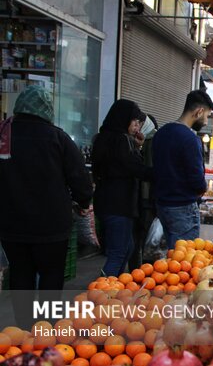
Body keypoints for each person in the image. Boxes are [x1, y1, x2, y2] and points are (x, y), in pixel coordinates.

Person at [0, 85, 93, 292]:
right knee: (51, 276)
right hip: (52, 226)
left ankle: (22, 324)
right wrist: (83, 202)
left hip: (12, 224)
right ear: (46, 109)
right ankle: (47, 323)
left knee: (20, 274)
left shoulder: (4, 135)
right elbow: (80, 180)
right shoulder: (58, 138)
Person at [92, 99, 153, 277]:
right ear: (123, 119)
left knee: (127, 248)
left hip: (109, 203)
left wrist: (137, 146)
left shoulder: (104, 138)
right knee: (119, 252)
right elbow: (135, 168)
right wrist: (161, 172)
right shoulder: (120, 141)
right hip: (118, 205)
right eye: (134, 122)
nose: (137, 127)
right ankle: (102, 292)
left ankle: (113, 288)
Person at [153, 90, 213, 249]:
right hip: (183, 207)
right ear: (199, 111)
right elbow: (196, 177)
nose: (206, 122)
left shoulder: (161, 133)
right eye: (207, 116)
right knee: (184, 260)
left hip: (162, 205)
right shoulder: (190, 138)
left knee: (172, 257)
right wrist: (202, 188)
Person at [128, 114, 158, 269]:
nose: (137, 128)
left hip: (144, 196)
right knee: (143, 237)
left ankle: (140, 271)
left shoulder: (151, 142)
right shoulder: (136, 142)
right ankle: (142, 270)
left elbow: (148, 170)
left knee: (142, 237)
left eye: (140, 124)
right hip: (142, 198)